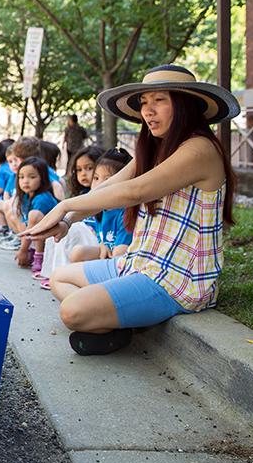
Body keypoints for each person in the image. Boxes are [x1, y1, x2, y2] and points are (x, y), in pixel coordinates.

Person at [24, 65, 239, 356]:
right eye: (144, 103)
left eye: (159, 100)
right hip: (138, 263)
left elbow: (133, 191)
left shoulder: (200, 149)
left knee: (72, 311)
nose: (148, 111)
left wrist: (64, 204)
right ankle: (117, 321)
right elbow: (111, 185)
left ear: (185, 103)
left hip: (176, 279)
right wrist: (68, 220)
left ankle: (109, 319)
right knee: (59, 277)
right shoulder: (155, 148)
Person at [35, 145, 104, 286]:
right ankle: (53, 273)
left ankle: (64, 275)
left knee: (73, 229)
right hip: (83, 240)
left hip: (98, 240)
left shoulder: (104, 195)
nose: (83, 174)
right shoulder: (81, 193)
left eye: (89, 168)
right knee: (59, 230)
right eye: (79, 170)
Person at [66, 148, 133, 265]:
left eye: (107, 180)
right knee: (78, 252)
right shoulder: (101, 208)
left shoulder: (125, 212)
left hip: (120, 261)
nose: (98, 185)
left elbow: (120, 253)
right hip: (107, 254)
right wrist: (102, 244)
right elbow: (99, 235)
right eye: (96, 178)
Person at [4, 157, 58, 271]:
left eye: (32, 177)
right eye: (21, 177)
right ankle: (31, 249)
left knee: (34, 216)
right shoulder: (26, 196)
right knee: (14, 214)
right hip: (36, 234)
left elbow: (34, 225)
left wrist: (22, 250)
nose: (25, 181)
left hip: (52, 239)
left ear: (42, 179)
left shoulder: (43, 198)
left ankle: (39, 255)